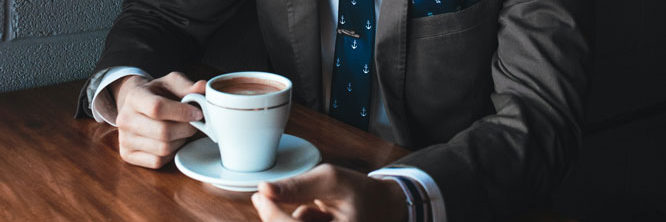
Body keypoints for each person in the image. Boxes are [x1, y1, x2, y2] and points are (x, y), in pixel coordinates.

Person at [75, 0, 588, 221]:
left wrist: (401, 200)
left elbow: (541, 116)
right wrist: (126, 90)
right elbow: (162, 14)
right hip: (266, 198)